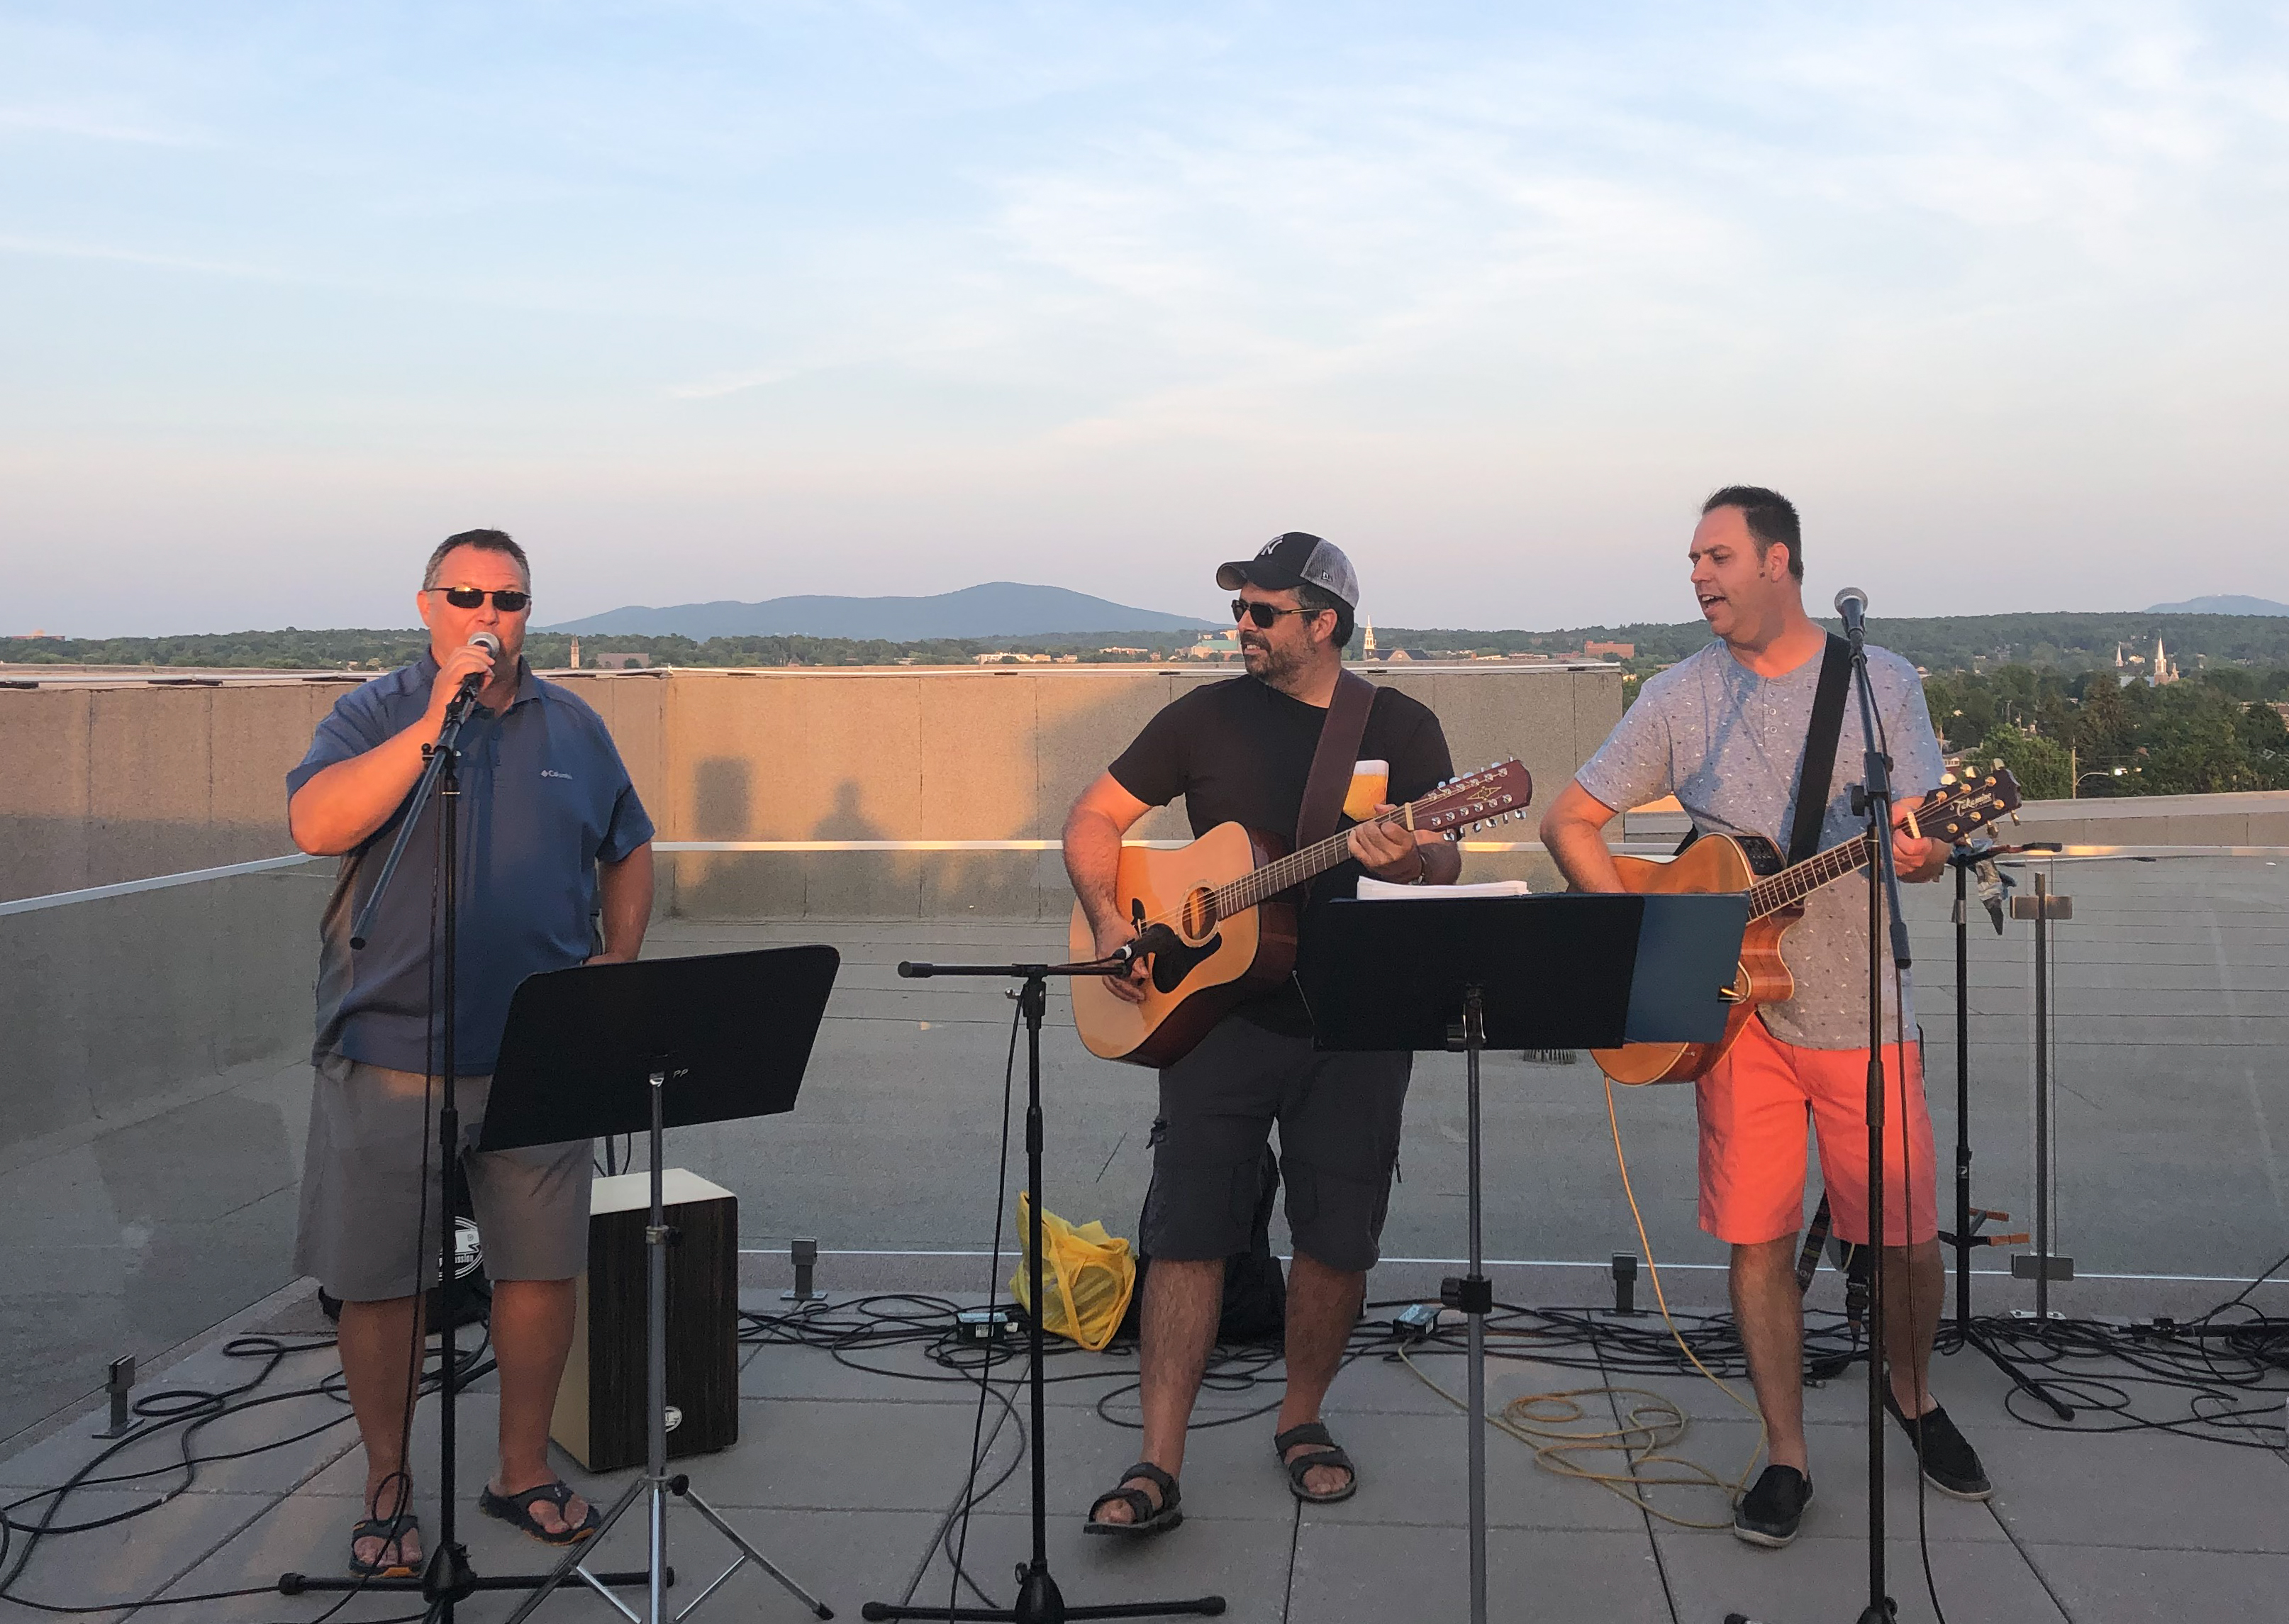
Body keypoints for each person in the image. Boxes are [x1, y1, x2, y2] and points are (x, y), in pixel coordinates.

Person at [1539, 486, 1990, 1548]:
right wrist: (1641, 932)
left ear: (1779, 561)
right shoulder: (1679, 695)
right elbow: (1572, 818)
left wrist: (1922, 852)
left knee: (1910, 1244)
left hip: (1866, 1010)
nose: (1698, 576)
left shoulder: (1881, 684)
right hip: (1735, 1017)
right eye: (1692, 559)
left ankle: (1912, 1391)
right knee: (1757, 1242)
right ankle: (1786, 1452)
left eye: (1717, 556)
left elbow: (1919, 836)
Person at [1063, 532, 1459, 1535]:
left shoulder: (1400, 727)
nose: (1241, 626)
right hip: (1212, 1016)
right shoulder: (1201, 715)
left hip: (1355, 1018)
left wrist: (1408, 856)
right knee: (1186, 1234)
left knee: (1335, 1237)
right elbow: (1093, 821)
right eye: (1239, 608)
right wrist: (1114, 922)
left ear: (1322, 623)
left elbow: (1446, 864)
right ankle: (1158, 1457)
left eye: (1262, 611)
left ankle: (1302, 1418)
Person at [286, 528, 656, 1578]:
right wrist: (435, 718)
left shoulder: (573, 725)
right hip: (391, 1045)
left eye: (511, 598)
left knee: (540, 1269)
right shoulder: (375, 711)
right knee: (383, 1281)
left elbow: (629, 844)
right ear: (427, 604)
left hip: (540, 1049)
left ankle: (520, 1467)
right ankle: (389, 1488)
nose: (490, 614)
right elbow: (317, 822)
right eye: (467, 595)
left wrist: (618, 958)